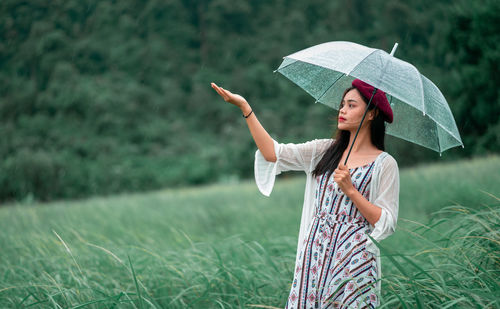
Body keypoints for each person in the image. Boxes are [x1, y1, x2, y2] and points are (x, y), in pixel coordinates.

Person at [211, 79, 399, 308]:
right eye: (343, 104)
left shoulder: (384, 164)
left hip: (355, 260)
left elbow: (386, 222)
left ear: (371, 114)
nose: (342, 110)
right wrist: (245, 108)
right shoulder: (324, 151)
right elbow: (273, 153)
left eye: (352, 105)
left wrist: (351, 191)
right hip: (315, 255)